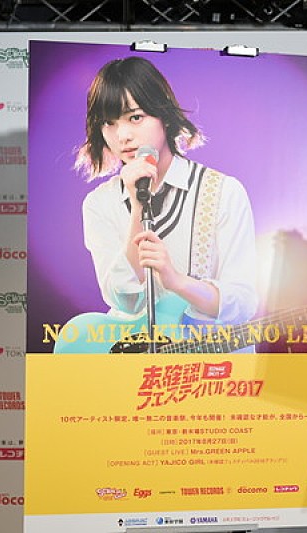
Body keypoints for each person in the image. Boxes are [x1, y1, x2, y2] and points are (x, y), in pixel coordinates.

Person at [67, 55, 258, 353]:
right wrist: (137, 206)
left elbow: (242, 303)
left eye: (135, 117)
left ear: (164, 116)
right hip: (133, 364)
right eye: (108, 123)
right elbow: (124, 300)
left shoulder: (223, 192)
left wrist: (176, 281)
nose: (122, 136)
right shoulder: (100, 203)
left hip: (207, 364)